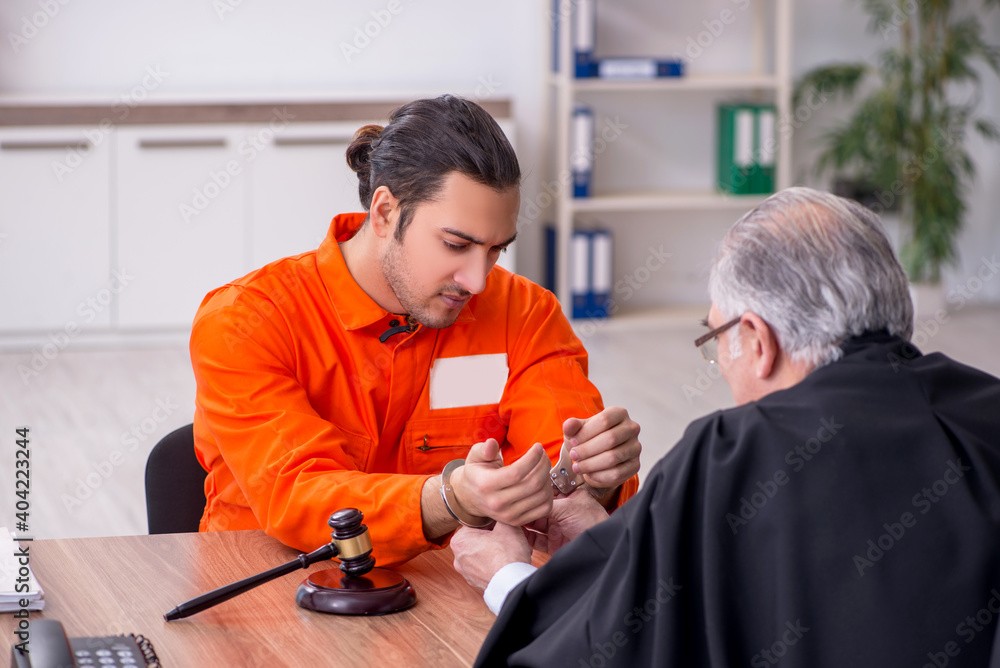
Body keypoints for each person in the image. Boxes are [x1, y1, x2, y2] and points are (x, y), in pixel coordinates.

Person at [451, 187, 1000, 667]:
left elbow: (622, 650)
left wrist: (507, 578)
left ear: (758, 342)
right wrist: (615, 549)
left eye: (717, 339)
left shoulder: (731, 457)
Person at [188, 95, 641, 567]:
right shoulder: (245, 322)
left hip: (458, 599)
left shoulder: (525, 313)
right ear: (384, 213)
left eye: (495, 250)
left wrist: (595, 478)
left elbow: (559, 471)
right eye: (455, 244)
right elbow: (297, 493)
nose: (477, 280)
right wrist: (451, 498)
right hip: (269, 594)